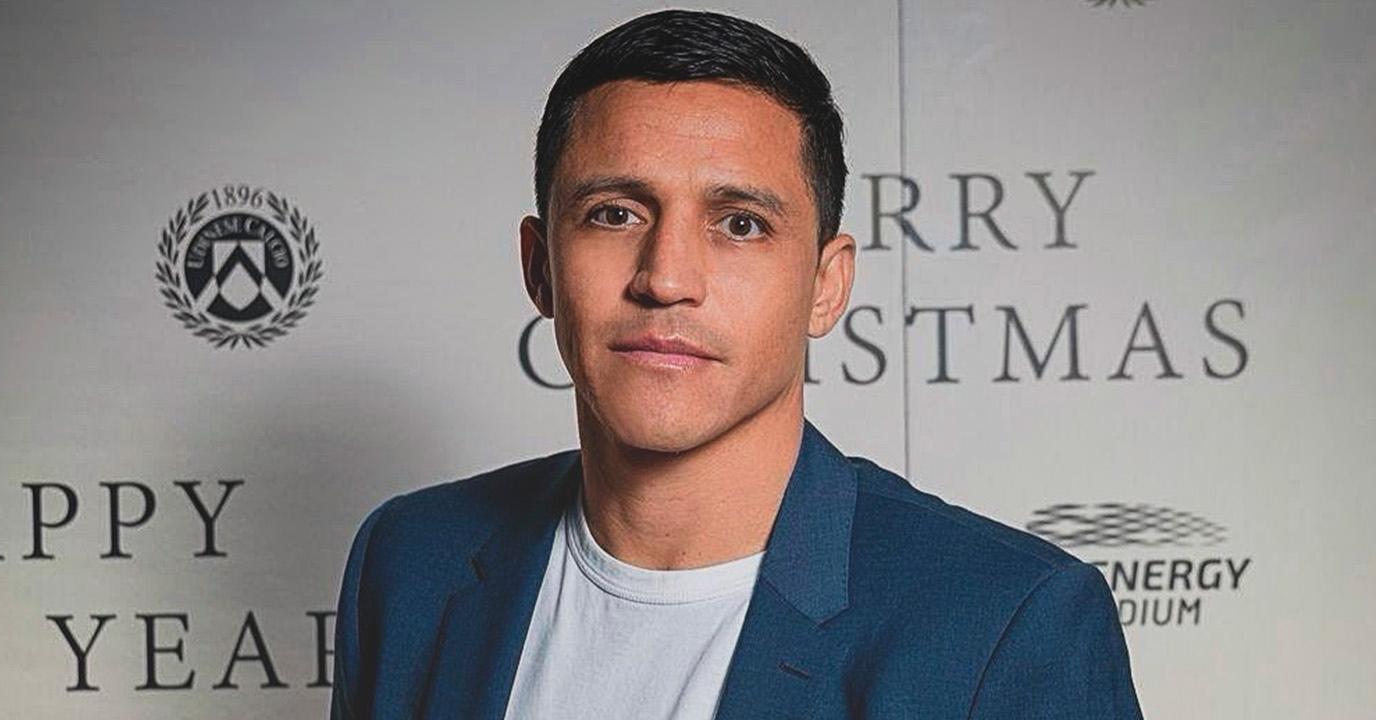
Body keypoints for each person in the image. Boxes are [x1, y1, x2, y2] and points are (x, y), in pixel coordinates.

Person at [330, 8, 1144, 719]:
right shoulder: (409, 563)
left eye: (741, 224)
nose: (666, 278)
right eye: (614, 214)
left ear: (826, 286)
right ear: (539, 267)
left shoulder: (1007, 623)